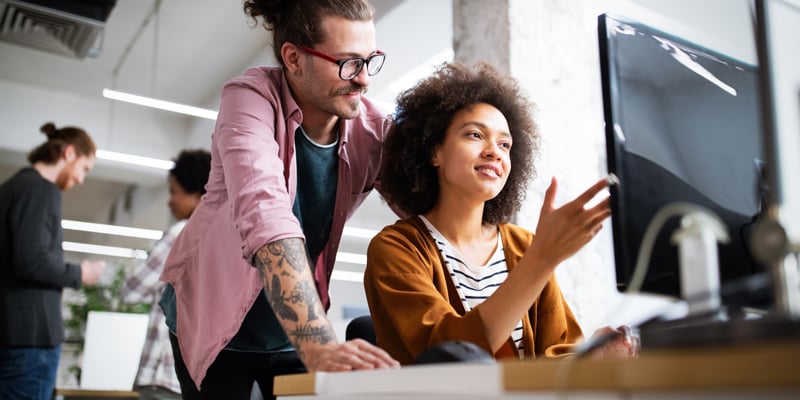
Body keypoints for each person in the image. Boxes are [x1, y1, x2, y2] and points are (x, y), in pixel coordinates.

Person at [159, 0, 399, 398]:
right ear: (294, 58)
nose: (363, 80)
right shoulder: (250, 99)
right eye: (348, 63)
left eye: (370, 60)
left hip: (290, 331)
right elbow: (265, 211)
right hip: (215, 317)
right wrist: (321, 346)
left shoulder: (372, 130)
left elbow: (426, 213)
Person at [364, 62, 637, 365]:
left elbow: (557, 354)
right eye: (474, 135)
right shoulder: (397, 248)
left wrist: (591, 356)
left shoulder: (525, 245)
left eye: (505, 144)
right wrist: (542, 259)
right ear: (433, 151)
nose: (494, 151)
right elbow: (446, 356)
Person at [0, 122, 106, 399]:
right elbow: (31, 260)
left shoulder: (13, 187)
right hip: (31, 338)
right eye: (84, 168)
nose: (82, 179)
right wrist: (79, 273)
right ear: (69, 153)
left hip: (14, 334)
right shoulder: (40, 189)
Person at [120, 150, 211, 400]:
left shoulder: (182, 233)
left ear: (196, 194)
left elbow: (131, 290)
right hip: (201, 374)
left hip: (163, 372)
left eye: (174, 192)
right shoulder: (224, 238)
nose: (169, 201)